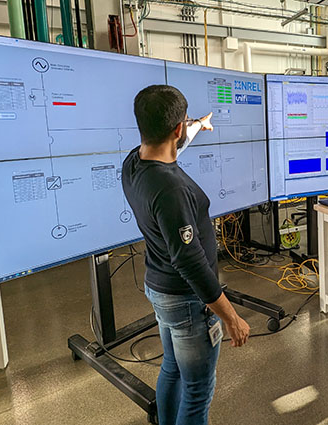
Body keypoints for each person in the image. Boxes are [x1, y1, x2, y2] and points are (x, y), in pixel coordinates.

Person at [122, 85, 250, 425]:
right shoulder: (171, 191)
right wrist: (230, 317)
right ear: (176, 129)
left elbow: (167, 146)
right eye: (183, 126)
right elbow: (190, 262)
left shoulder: (133, 164)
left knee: (172, 369)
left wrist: (194, 127)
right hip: (187, 300)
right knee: (197, 389)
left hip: (160, 289)